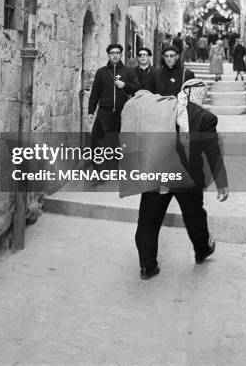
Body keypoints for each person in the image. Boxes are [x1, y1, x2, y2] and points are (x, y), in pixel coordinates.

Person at [135, 79, 229, 280]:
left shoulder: (164, 111)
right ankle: (202, 250)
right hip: (188, 178)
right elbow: (213, 154)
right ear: (200, 94)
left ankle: (147, 267)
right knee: (194, 216)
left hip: (158, 174)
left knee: (148, 221)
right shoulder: (206, 118)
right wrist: (222, 184)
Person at [88, 44, 139, 183]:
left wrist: (125, 85)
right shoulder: (101, 72)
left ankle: (117, 170)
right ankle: (99, 173)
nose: (115, 55)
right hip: (104, 112)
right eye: (112, 53)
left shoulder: (128, 71)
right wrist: (91, 111)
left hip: (122, 113)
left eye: (117, 52)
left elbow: (137, 88)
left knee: (118, 142)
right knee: (97, 142)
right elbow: (95, 93)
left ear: (121, 54)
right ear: (108, 55)